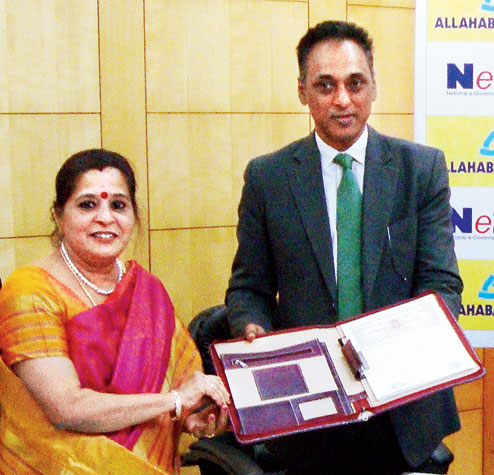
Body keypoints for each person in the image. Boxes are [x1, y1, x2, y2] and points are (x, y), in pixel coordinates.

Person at [226, 20, 462, 475]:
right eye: (325, 85)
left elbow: (442, 284)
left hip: (402, 408)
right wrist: (253, 328)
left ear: (373, 86)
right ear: (302, 91)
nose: (342, 100)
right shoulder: (268, 178)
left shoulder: (421, 169)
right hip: (308, 414)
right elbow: (249, 288)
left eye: (355, 83)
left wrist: (404, 346)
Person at [0, 149, 230, 474]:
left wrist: (197, 414)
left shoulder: (147, 291)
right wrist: (175, 401)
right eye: (87, 205)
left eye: (118, 205)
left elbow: (183, 390)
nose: (105, 218)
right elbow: (66, 408)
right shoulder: (29, 291)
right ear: (58, 215)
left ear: (134, 215)